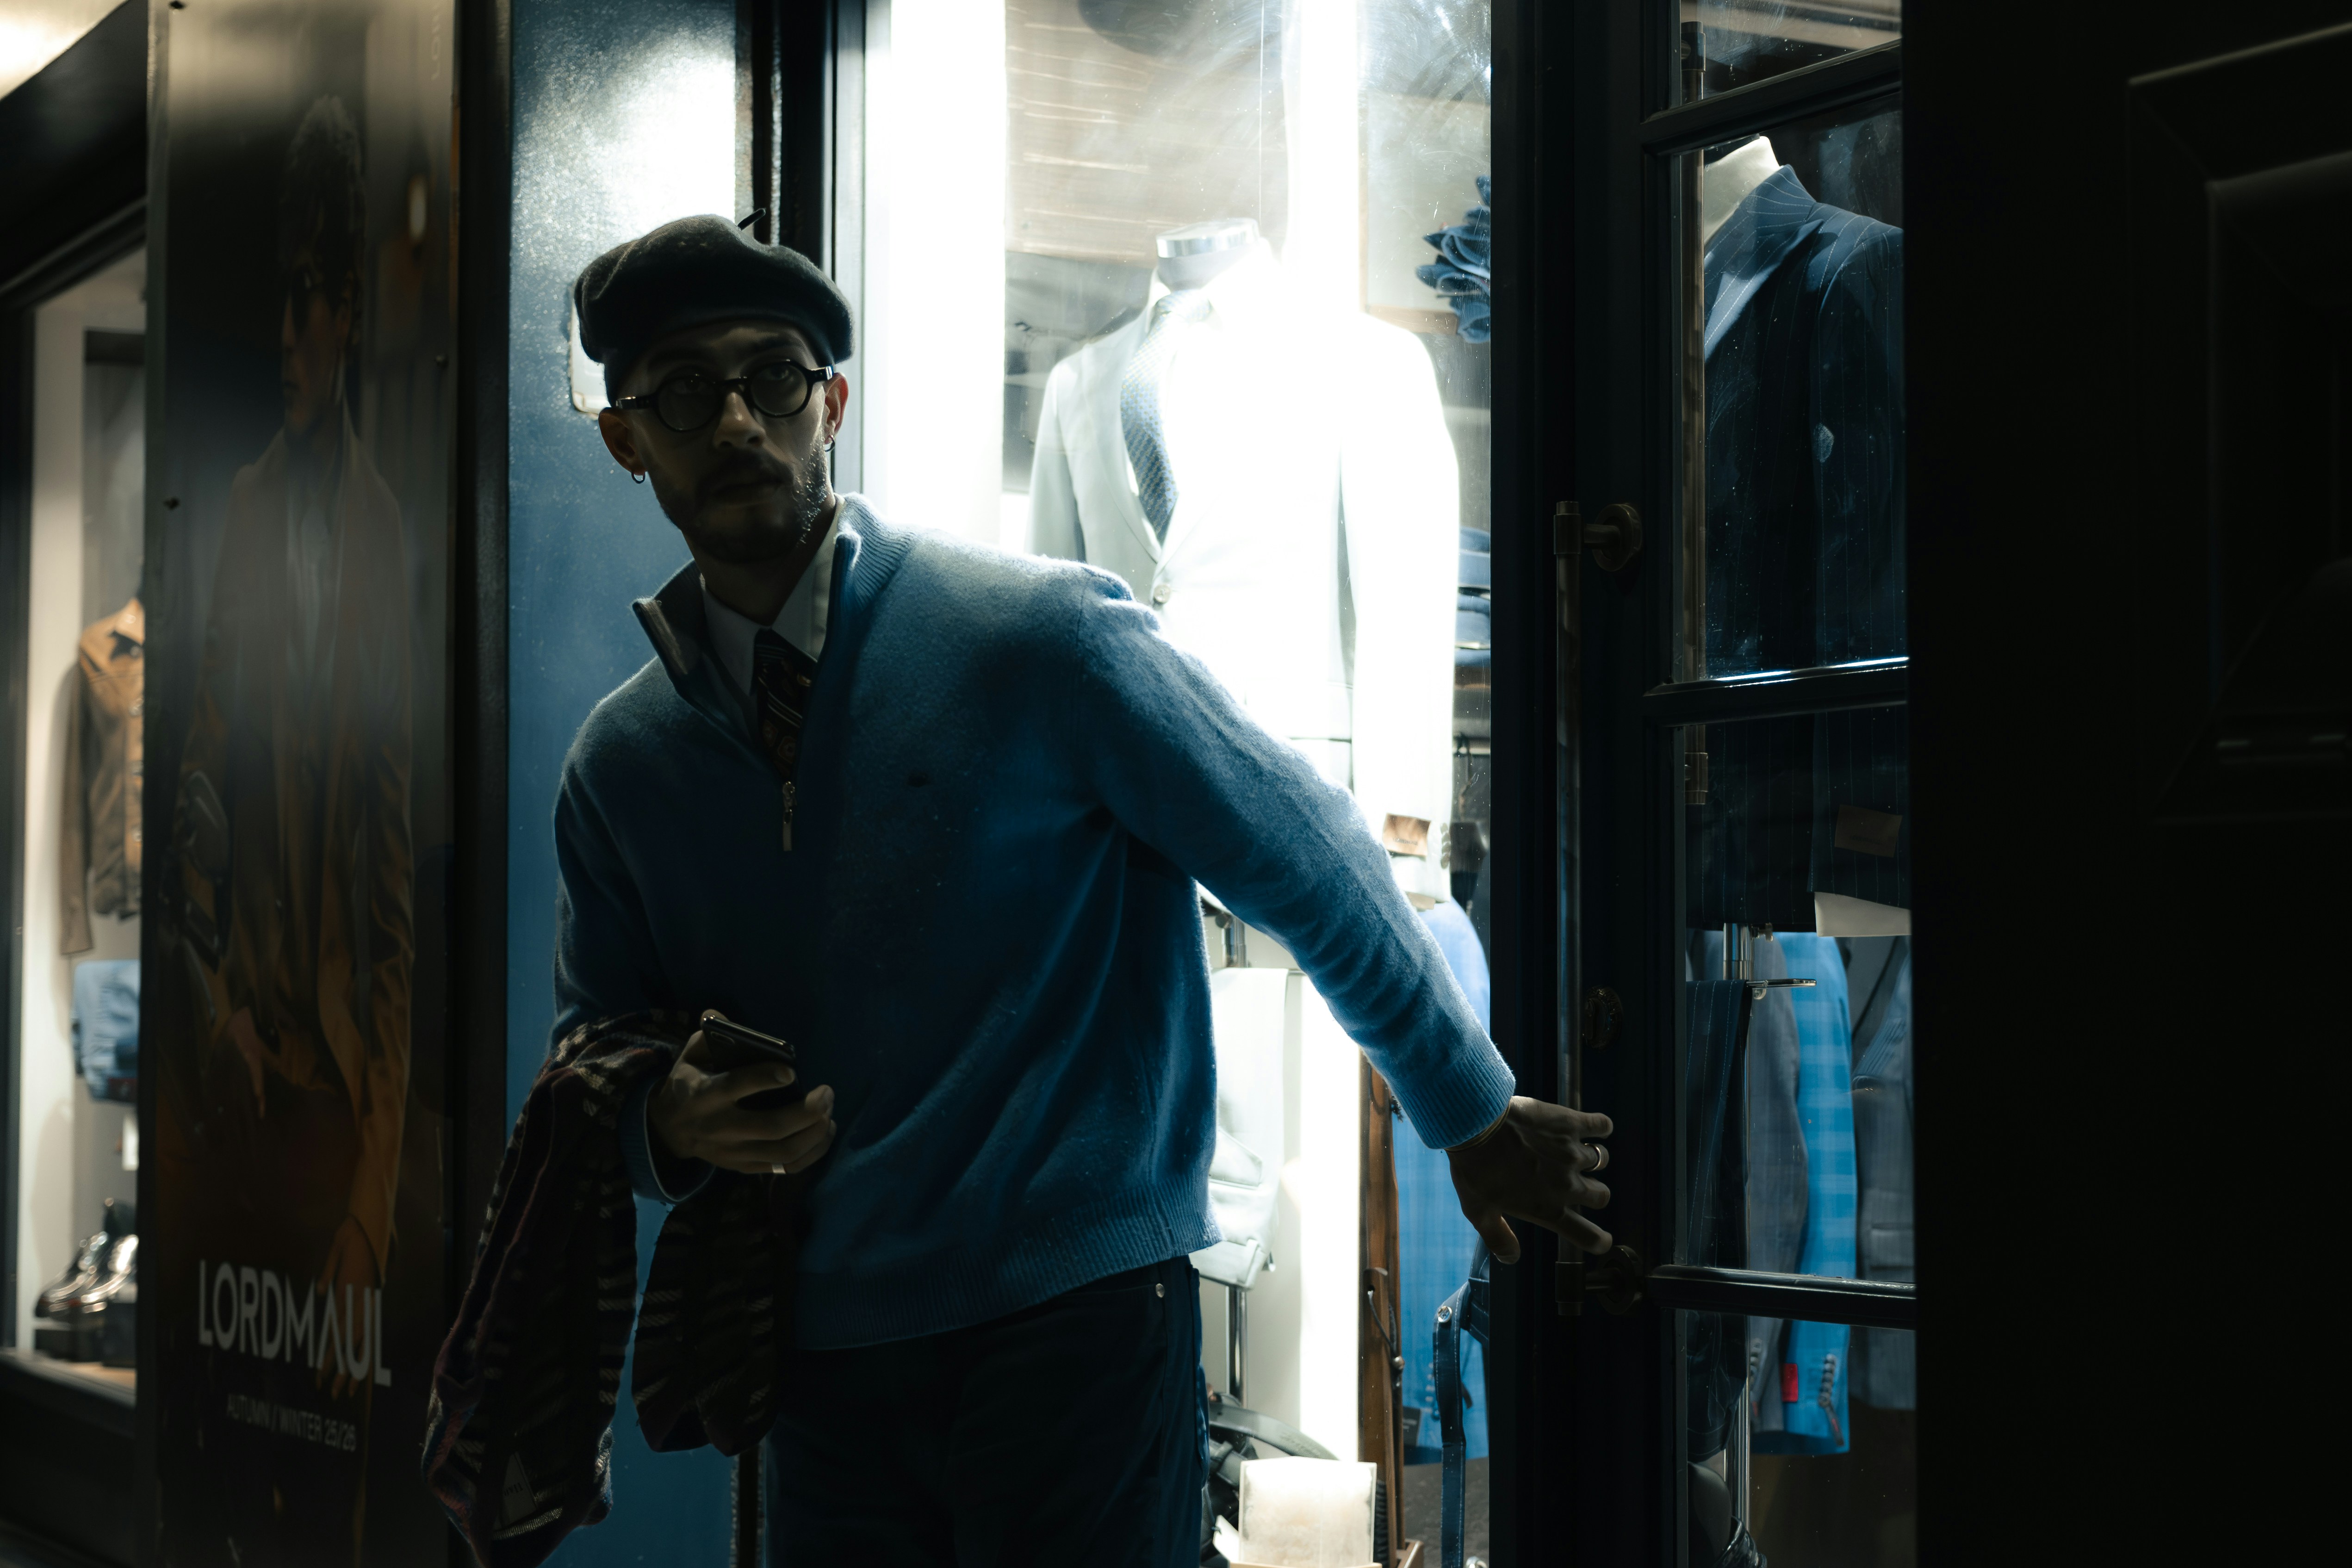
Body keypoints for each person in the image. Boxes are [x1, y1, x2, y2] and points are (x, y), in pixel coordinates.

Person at [557, 214, 1612, 1564]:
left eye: (773, 378)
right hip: (813, 1356)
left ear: (832, 402)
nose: (739, 423)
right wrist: (669, 1114)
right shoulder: (624, 762)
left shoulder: (1038, 640)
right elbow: (592, 1048)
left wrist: (1465, 1106)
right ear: (626, 437)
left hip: (1071, 1324)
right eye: (686, 393)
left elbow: (1308, 856)